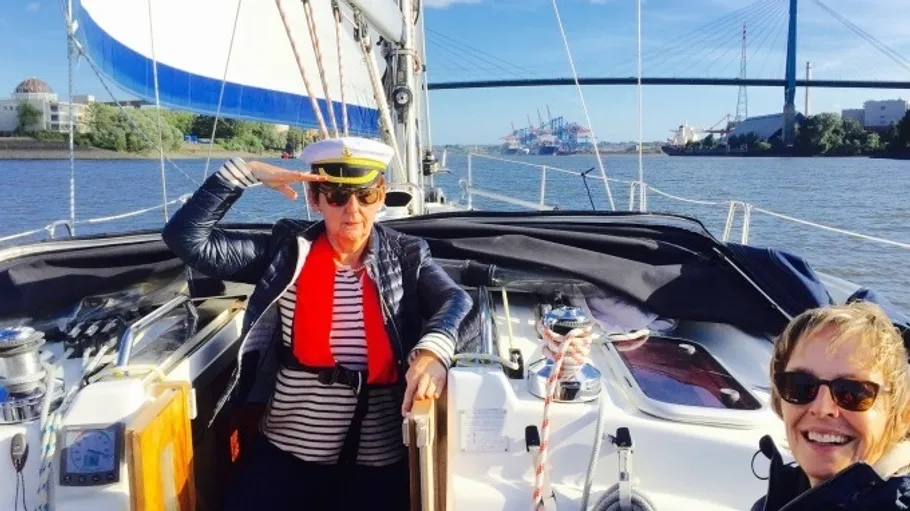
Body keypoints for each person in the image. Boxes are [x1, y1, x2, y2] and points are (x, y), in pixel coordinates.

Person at [161, 136, 473, 510]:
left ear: (381, 194)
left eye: (366, 195)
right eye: (338, 197)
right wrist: (247, 172)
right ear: (316, 200)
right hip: (285, 452)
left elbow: (457, 299)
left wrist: (431, 354)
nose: (352, 210)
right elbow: (186, 239)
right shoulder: (287, 251)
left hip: (377, 462)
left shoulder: (407, 255)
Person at [751, 301, 910, 511]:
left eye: (853, 392)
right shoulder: (780, 499)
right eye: (800, 385)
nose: (822, 408)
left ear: (901, 413)